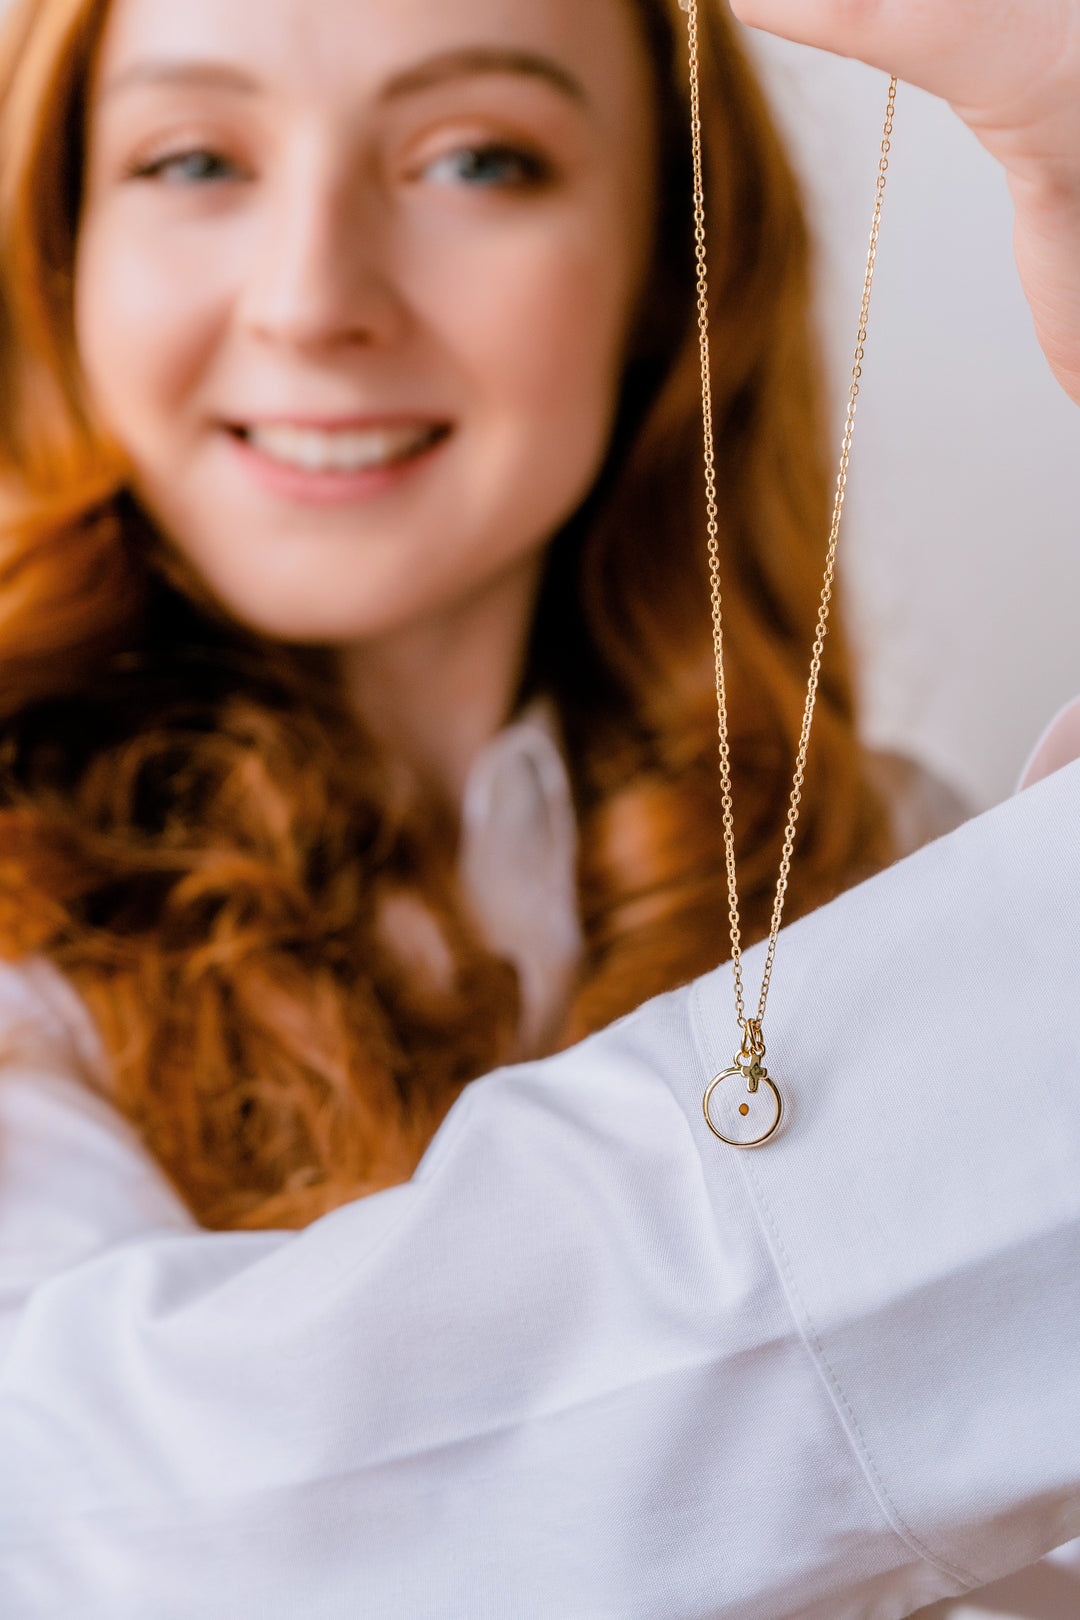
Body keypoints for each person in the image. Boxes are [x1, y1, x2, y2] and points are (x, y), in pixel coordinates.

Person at [0, 0, 1077, 1613]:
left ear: (668, 264)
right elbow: (120, 1528)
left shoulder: (878, 850)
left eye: (477, 159)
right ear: (62, 249)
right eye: (197, 157)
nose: (312, 301)